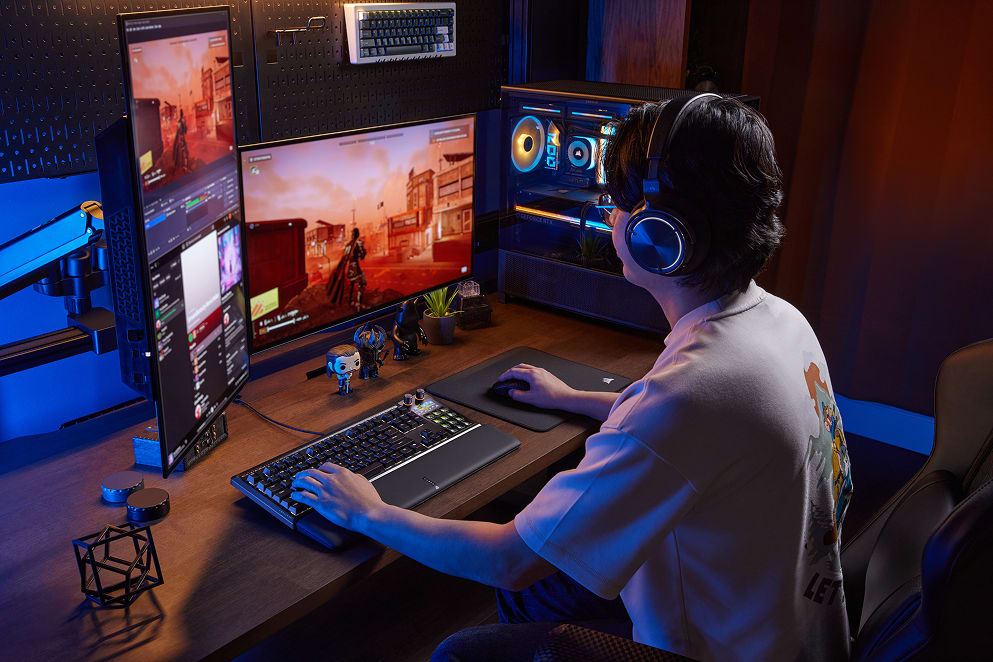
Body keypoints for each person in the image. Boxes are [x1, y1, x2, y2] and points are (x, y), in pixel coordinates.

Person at [289, 95, 854, 661]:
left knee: (462, 648)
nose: (611, 216)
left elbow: (509, 562)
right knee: (546, 589)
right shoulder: (780, 323)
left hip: (716, 650)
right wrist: (574, 399)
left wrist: (371, 513)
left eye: (619, 204)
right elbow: (698, 440)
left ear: (659, 235)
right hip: (789, 626)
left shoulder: (690, 393)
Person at [327, 227, 368, 311]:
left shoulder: (348, 245)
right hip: (355, 267)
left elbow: (344, 258)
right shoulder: (358, 242)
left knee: (352, 284)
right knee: (361, 284)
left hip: (349, 269)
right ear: (357, 234)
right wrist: (363, 251)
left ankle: (350, 301)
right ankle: (359, 306)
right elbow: (362, 256)